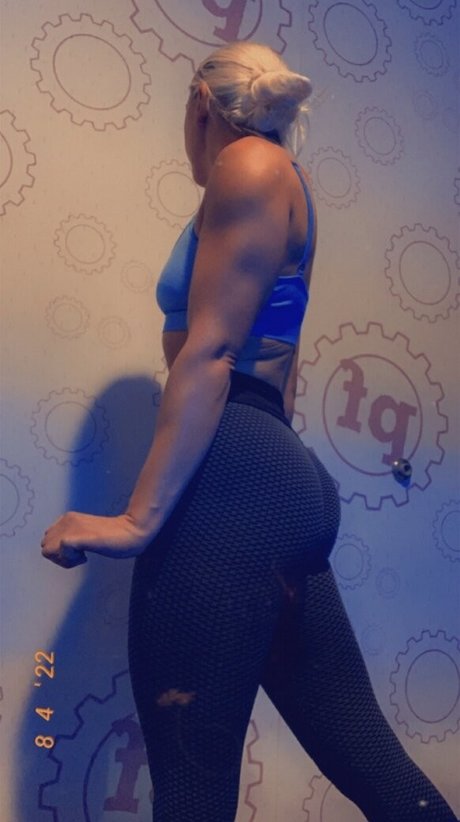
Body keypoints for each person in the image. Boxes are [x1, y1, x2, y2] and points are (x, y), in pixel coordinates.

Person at [41, 42, 457, 822]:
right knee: (373, 761)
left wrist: (136, 520)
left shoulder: (248, 166)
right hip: (272, 471)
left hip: (233, 473)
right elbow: (280, 365)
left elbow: (211, 352)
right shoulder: (287, 180)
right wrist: (272, 482)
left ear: (200, 102)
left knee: (191, 792)